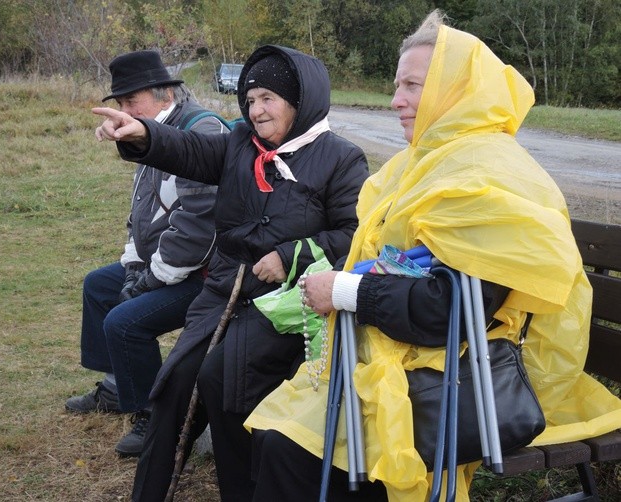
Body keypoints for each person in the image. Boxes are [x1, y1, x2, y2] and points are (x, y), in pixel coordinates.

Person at [245, 9, 621, 501]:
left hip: (472, 368)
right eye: (398, 85)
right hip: (421, 349)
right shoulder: (428, 159)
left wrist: (343, 289)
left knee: (290, 447)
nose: (396, 101)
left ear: (456, 90)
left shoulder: (486, 173)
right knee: (280, 429)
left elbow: (452, 309)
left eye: (413, 86)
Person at [92, 45, 369, 501]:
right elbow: (189, 150)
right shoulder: (241, 143)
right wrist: (142, 133)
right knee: (173, 387)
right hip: (224, 291)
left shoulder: (340, 158)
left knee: (224, 381)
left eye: (268, 99)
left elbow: (354, 234)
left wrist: (292, 253)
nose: (256, 111)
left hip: (286, 303)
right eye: (251, 99)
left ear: (300, 100)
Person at [65, 50, 227, 457]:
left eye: (130, 101)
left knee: (125, 320)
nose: (124, 111)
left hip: (206, 274)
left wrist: (149, 280)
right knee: (99, 286)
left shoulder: (199, 129)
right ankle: (119, 387)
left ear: (164, 93)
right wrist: (134, 264)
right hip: (167, 264)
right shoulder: (151, 127)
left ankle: (156, 417)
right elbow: (144, 209)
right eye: (120, 103)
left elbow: (198, 226)